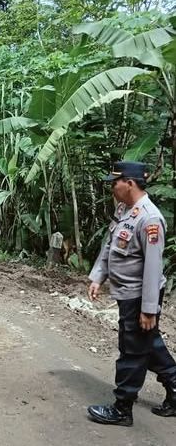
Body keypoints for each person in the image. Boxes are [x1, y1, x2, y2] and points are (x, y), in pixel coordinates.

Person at [87, 161, 176, 426]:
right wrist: (98, 277)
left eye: (115, 182)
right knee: (148, 344)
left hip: (139, 296)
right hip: (126, 293)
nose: (112, 187)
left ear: (130, 183)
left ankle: (122, 408)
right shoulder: (125, 211)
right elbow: (110, 245)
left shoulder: (149, 219)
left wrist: (149, 309)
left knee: (132, 350)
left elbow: (152, 268)